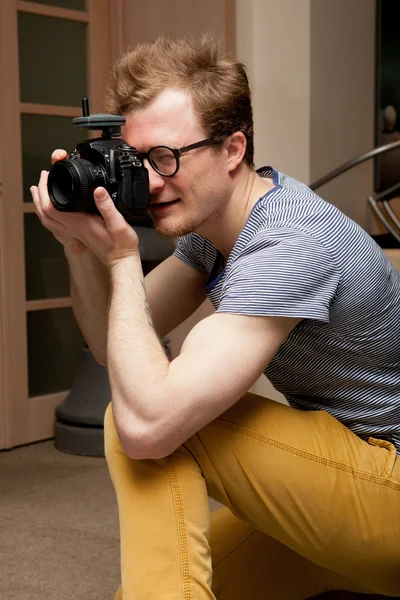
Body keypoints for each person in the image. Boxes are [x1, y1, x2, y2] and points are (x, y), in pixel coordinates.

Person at [30, 35, 400, 600]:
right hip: (342, 484)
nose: (148, 184)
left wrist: (125, 258)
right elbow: (116, 344)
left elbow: (148, 423)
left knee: (141, 418)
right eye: (136, 161)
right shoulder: (216, 231)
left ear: (232, 149)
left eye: (165, 158)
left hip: (388, 495)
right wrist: (80, 249)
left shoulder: (290, 244)